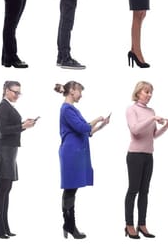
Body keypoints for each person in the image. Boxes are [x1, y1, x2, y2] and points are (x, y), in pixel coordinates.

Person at [54, 81, 109, 239]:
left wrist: (101, 125)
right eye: (79, 91)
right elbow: (83, 127)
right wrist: (97, 119)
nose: (81, 94)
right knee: (70, 188)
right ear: (72, 91)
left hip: (76, 152)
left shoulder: (72, 109)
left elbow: (86, 131)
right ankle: (70, 225)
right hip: (71, 153)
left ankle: (69, 225)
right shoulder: (66, 109)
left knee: (72, 189)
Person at [0, 81, 37, 238]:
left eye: (19, 93)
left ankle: (4, 225)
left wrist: (24, 124)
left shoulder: (8, 106)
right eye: (15, 92)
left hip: (10, 151)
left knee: (6, 189)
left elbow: (11, 128)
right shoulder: (3, 106)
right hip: (4, 152)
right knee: (2, 189)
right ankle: (0, 226)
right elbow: (3, 130)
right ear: (6, 91)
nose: (17, 95)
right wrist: (23, 126)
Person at [124, 81, 168, 239]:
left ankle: (142, 224)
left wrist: (166, 127)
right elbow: (135, 130)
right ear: (138, 93)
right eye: (146, 92)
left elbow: (152, 136)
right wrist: (152, 118)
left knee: (145, 191)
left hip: (148, 155)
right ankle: (129, 225)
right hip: (135, 155)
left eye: (151, 92)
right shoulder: (131, 110)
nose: (149, 95)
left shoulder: (151, 111)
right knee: (133, 191)